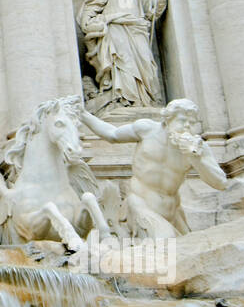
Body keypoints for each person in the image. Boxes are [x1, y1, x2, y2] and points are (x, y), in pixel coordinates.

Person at [82, 99, 228, 238]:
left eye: (192, 123)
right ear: (167, 119)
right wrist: (83, 115)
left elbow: (220, 183)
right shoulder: (146, 130)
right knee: (166, 244)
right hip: (141, 205)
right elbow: (111, 134)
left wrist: (197, 158)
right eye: (182, 121)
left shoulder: (198, 148)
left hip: (173, 213)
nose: (187, 127)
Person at [77, 0, 166, 106]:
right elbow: (94, 4)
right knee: (121, 61)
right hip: (115, 26)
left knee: (145, 61)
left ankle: (144, 99)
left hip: (136, 26)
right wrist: (89, 20)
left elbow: (150, 7)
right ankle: (124, 99)